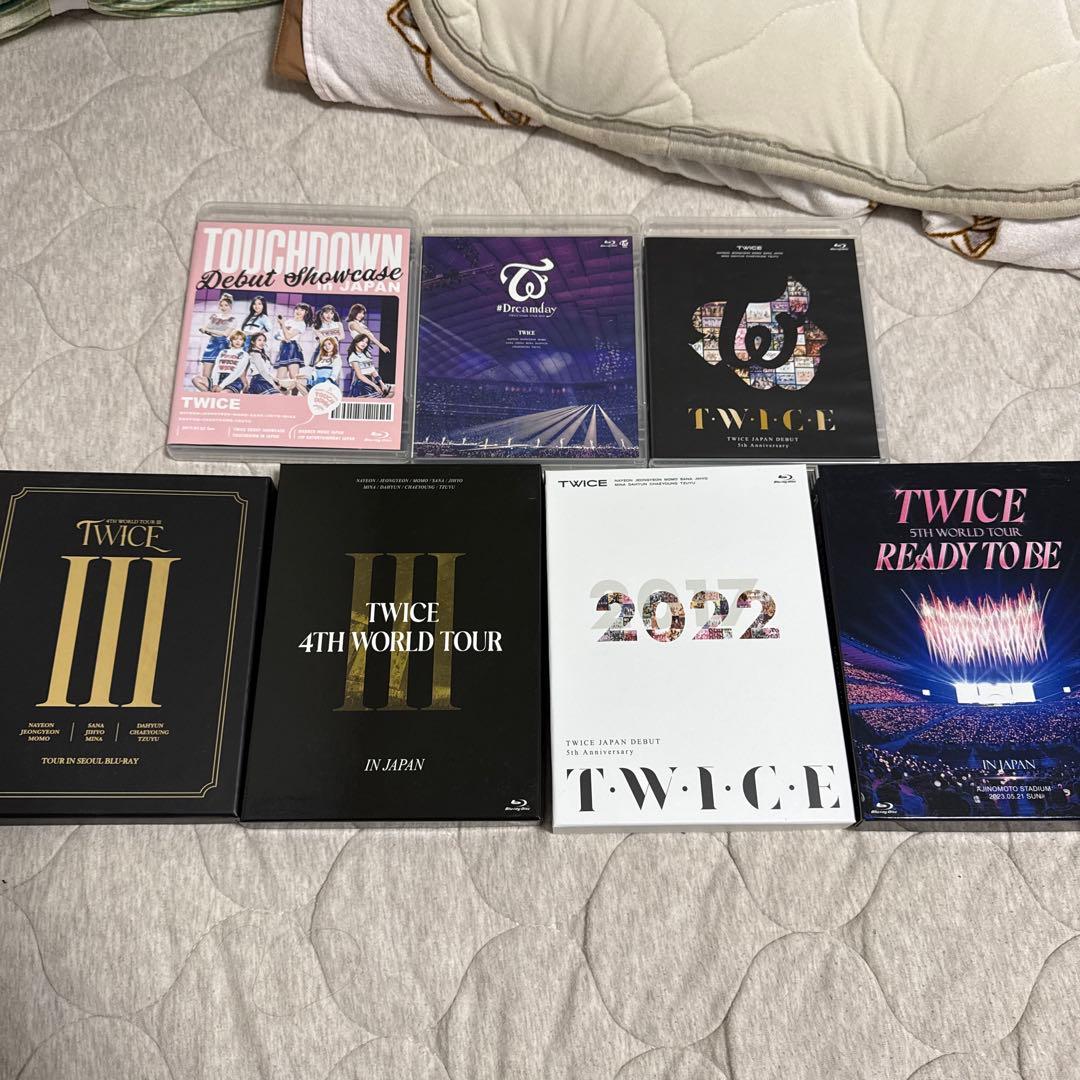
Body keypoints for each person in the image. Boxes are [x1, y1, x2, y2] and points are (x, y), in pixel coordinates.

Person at [196, 292, 236, 385]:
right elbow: (203, 328)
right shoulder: (214, 316)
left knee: (220, 376)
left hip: (223, 346)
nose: (223, 307)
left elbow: (225, 334)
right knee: (205, 377)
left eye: (226, 305)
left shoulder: (233, 319)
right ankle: (206, 391)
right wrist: (209, 331)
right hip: (211, 345)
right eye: (221, 305)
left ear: (230, 305)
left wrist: (209, 331)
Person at [274, 302, 312, 394]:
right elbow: (276, 335)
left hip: (292, 349)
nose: (298, 311)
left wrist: (282, 325)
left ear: (306, 313)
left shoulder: (301, 324)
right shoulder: (289, 321)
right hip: (283, 348)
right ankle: (283, 397)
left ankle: (294, 398)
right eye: (297, 309)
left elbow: (288, 336)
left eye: (302, 310)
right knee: (279, 379)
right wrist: (282, 327)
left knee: (294, 378)